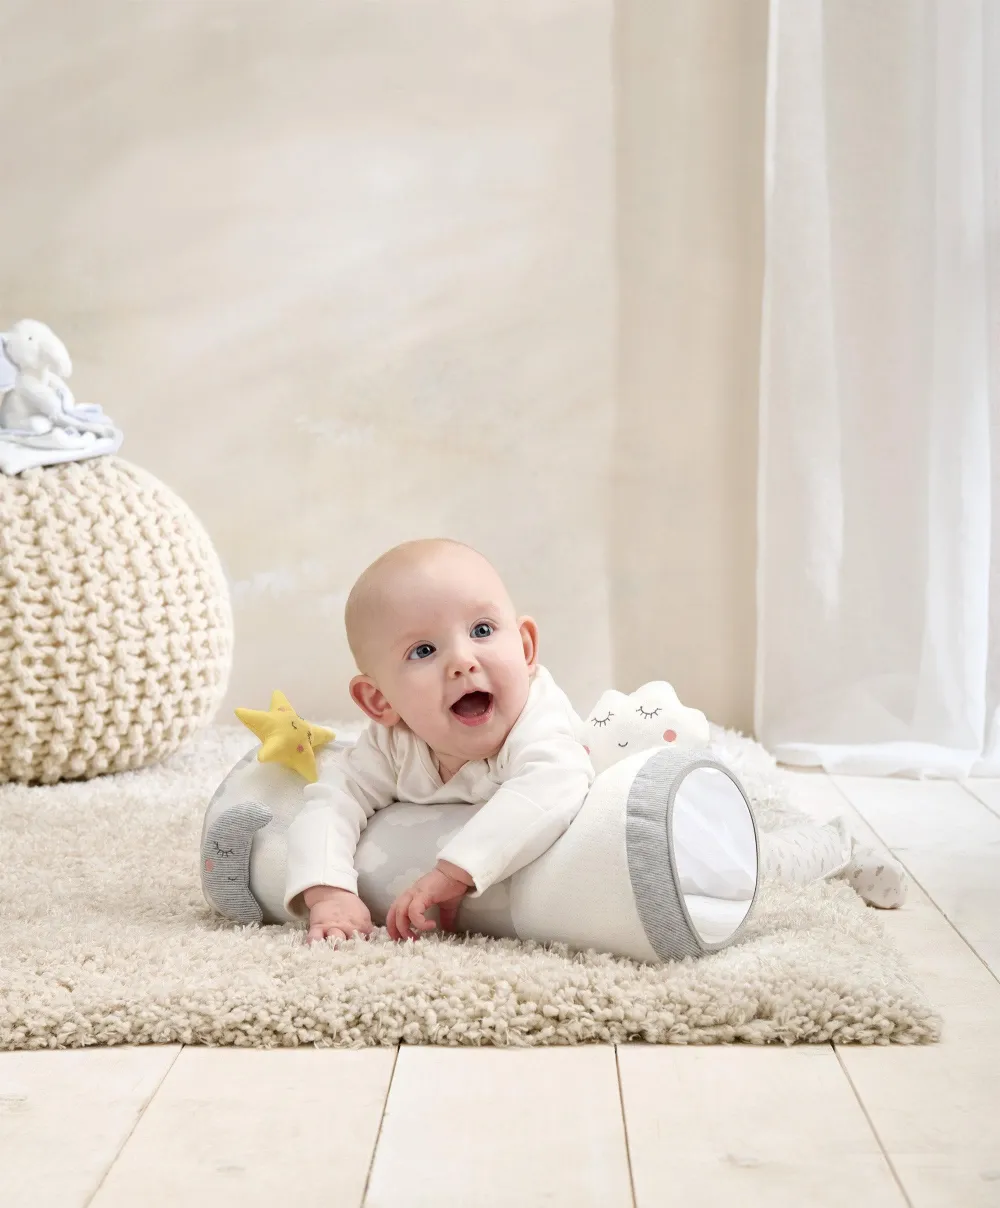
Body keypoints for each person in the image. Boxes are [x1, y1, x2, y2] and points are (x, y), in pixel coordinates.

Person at [285, 538, 594, 944]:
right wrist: (328, 892)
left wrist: (455, 871)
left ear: (524, 648)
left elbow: (555, 783)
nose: (463, 661)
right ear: (379, 701)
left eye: (482, 630)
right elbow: (330, 800)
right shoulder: (392, 744)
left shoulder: (539, 720)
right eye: (424, 650)